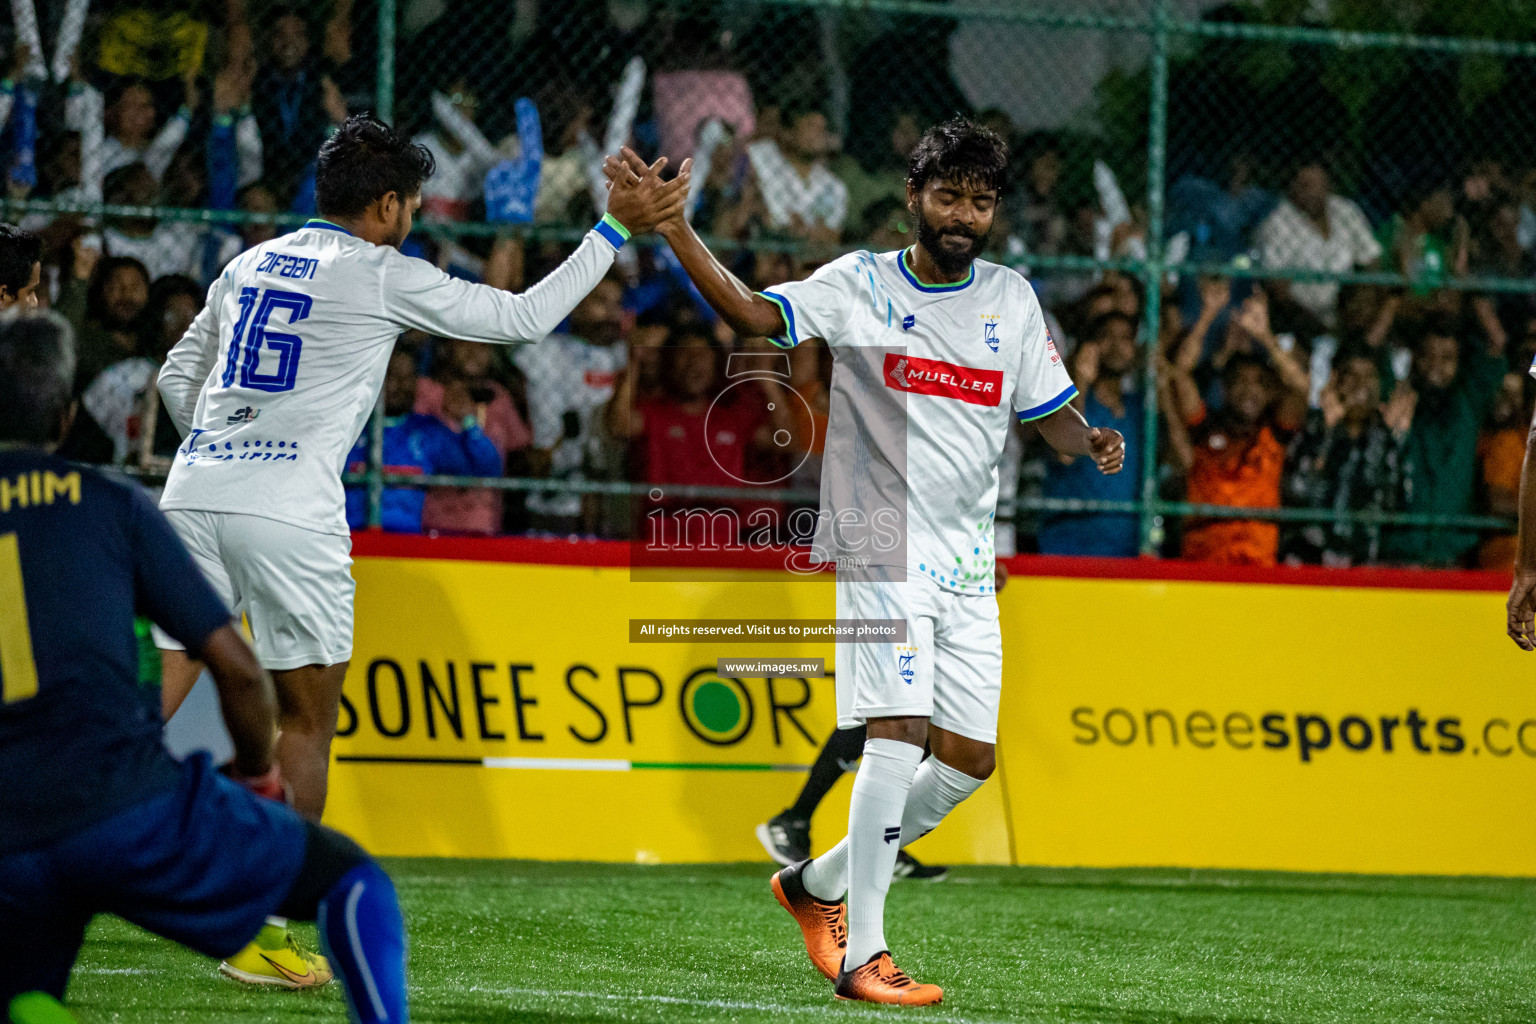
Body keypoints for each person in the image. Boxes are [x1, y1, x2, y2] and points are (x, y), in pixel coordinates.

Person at [151, 113, 688, 984]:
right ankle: (268, 939)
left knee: (142, 700)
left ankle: (32, 846)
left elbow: (178, 377)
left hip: (195, 489)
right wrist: (613, 228)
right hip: (291, 511)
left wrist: (222, 446)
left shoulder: (246, 262)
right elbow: (519, 318)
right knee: (307, 721)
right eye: (414, 204)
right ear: (390, 205)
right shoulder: (381, 273)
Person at [612, 116, 1124, 1005]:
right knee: (896, 733)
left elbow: (1050, 409)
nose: (965, 212)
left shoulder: (1011, 297)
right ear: (914, 198)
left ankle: (812, 886)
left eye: (981, 199)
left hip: (968, 559)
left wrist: (1091, 440)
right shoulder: (860, 284)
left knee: (967, 762)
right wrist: (675, 227)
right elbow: (753, 314)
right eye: (949, 194)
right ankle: (865, 957)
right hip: (878, 544)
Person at [0, 310, 408, 1022]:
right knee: (354, 884)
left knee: (29, 996)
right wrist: (257, 773)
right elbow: (239, 670)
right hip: (121, 806)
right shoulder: (113, 506)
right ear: (66, 419)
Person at [344, 344, 502, 532]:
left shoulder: (426, 432)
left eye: (407, 378)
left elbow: (486, 469)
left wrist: (468, 423)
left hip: (406, 542)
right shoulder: (349, 428)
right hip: (348, 537)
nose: (399, 385)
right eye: (391, 376)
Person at [1281, 345, 1407, 566]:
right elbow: (1297, 491)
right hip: (1308, 563)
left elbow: (1394, 503)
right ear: (1335, 380)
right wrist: (1329, 434)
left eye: (1369, 376)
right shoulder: (1313, 428)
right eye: (1352, 375)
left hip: (1363, 567)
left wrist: (1395, 435)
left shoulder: (1385, 437)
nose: (1361, 385)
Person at [1038, 311, 1148, 558]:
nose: (1117, 346)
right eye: (1105, 337)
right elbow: (1063, 455)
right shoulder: (1069, 398)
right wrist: (1080, 382)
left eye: (1126, 338)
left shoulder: (1139, 409)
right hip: (1068, 548)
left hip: (1127, 553)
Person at [1254, 160, 1382, 332]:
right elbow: (1279, 290)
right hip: (1301, 318)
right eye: (1305, 186)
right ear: (1292, 188)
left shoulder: (1345, 210)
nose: (1312, 193)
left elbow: (1372, 260)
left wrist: (1361, 301)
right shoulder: (1277, 224)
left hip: (1347, 311)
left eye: (1317, 185)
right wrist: (1321, 327)